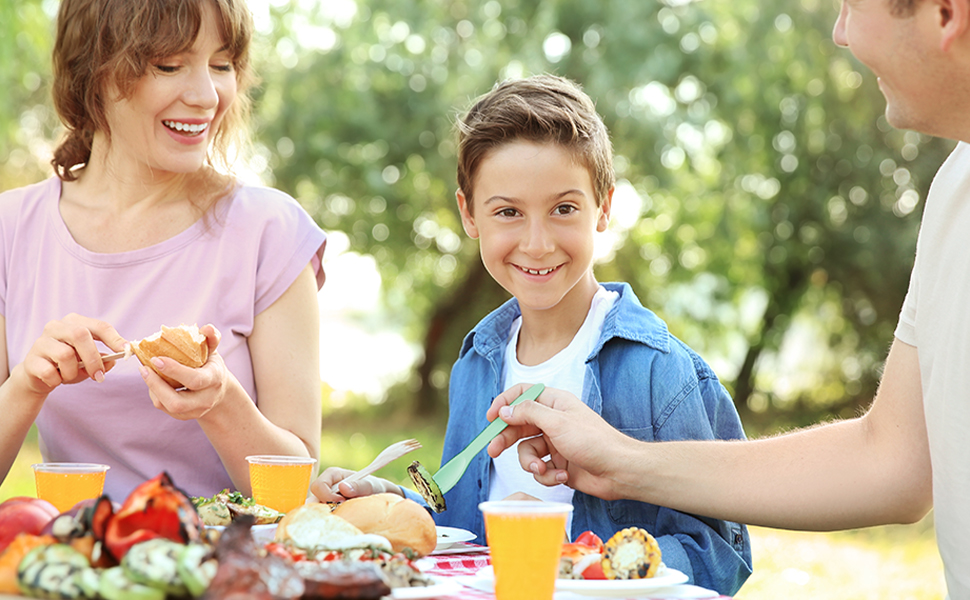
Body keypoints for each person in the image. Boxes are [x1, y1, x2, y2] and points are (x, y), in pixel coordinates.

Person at [486, 0, 970, 596]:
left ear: (946, 12)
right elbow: (893, 463)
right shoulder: (956, 188)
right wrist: (622, 462)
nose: (840, 32)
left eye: (850, 4)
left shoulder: (659, 368)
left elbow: (720, 553)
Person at [312, 74, 752, 594]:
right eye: (508, 212)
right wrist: (382, 500)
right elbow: (468, 529)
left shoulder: (660, 370)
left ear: (604, 208)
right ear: (469, 214)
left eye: (564, 208)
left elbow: (722, 556)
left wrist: (556, 547)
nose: (537, 243)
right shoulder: (477, 361)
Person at [0, 0, 327, 500]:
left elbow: (295, 495)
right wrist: (28, 383)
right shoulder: (12, 229)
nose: (206, 96)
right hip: (74, 566)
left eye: (222, 65)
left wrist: (221, 403)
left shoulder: (270, 233)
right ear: (94, 74)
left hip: (223, 565)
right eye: (168, 65)